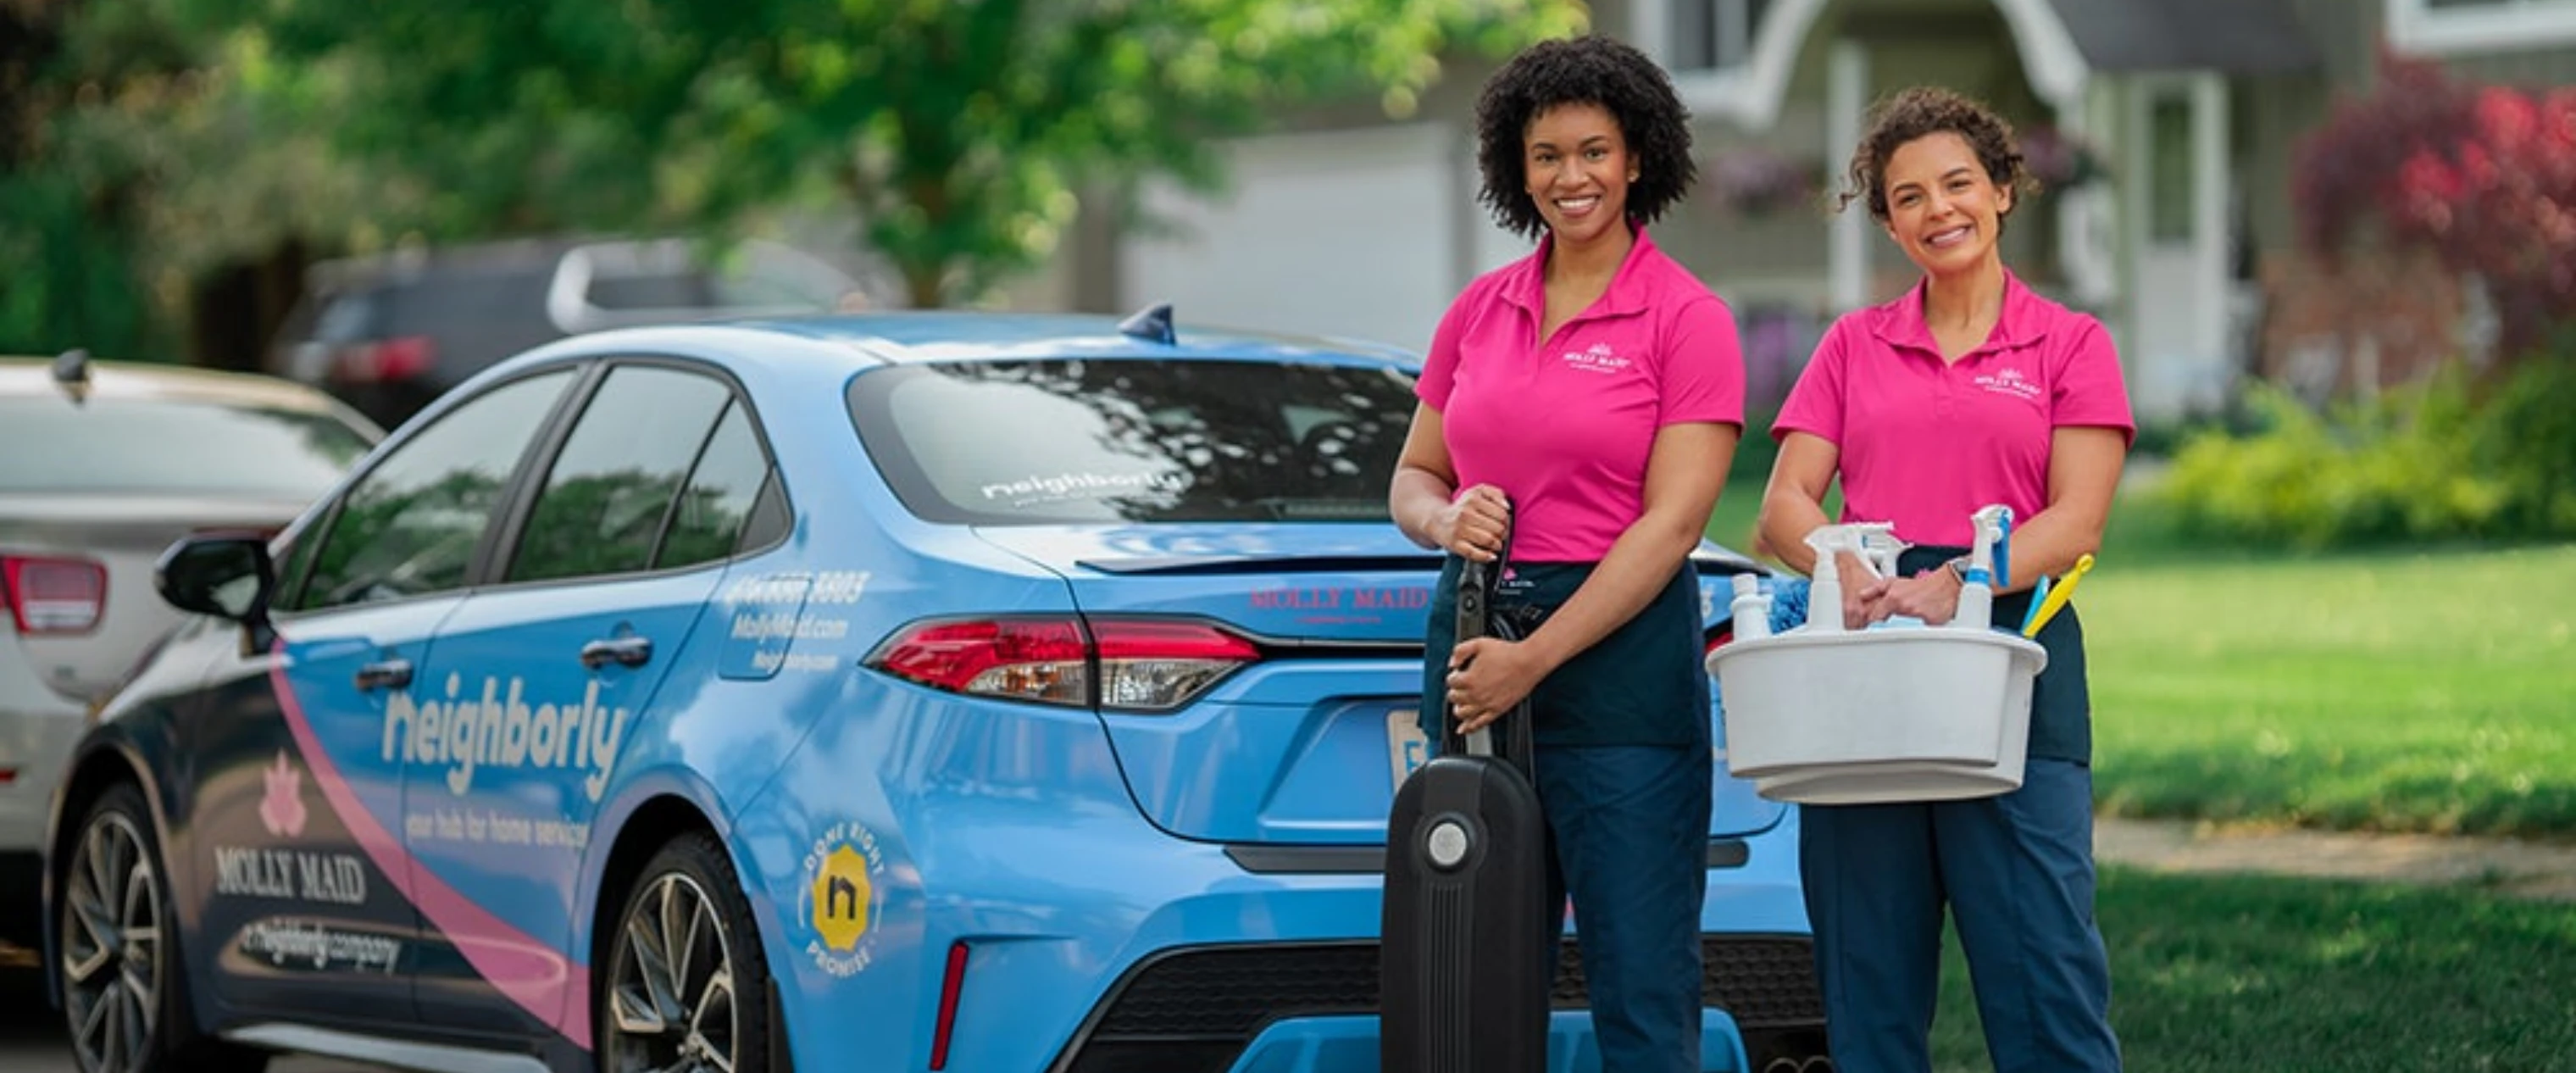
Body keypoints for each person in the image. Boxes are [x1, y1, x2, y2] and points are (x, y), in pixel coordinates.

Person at [1385, 34, 1745, 1073]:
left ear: (1636, 159)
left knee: (1639, 976)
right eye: (1547, 155)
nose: (1571, 177)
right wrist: (1445, 523)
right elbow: (1413, 477)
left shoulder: (1686, 320)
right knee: (1469, 963)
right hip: (1471, 643)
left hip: (1616, 667)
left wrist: (1531, 663)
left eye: (1593, 151)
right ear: (1516, 167)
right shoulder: (1478, 311)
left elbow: (1671, 528)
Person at [1756, 86, 2132, 1072]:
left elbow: (2076, 519)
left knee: (2045, 976)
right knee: (1867, 990)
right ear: (1886, 220)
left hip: (2011, 663)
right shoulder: (1850, 345)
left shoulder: (2070, 345)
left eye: (1958, 184)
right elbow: (1784, 502)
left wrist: (1955, 579)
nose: (1939, 210)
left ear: (2003, 191)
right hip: (1861, 676)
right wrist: (1843, 561)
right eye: (1908, 196)